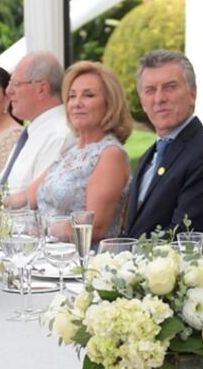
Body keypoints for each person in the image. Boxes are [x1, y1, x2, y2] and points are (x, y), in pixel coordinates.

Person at [124, 50, 203, 249]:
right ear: (142, 102)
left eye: (170, 87)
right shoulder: (148, 156)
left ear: (193, 93)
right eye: (150, 90)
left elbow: (185, 237)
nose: (159, 98)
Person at [30, 61, 131, 243]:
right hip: (48, 256)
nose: (77, 103)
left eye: (88, 95)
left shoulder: (110, 155)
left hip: (83, 263)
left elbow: (95, 227)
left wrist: (40, 232)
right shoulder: (71, 151)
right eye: (72, 96)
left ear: (110, 103)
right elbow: (28, 196)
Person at [0, 51, 77, 193]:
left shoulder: (59, 136)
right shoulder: (33, 132)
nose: (8, 91)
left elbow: (39, 202)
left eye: (15, 83)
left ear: (41, 89)